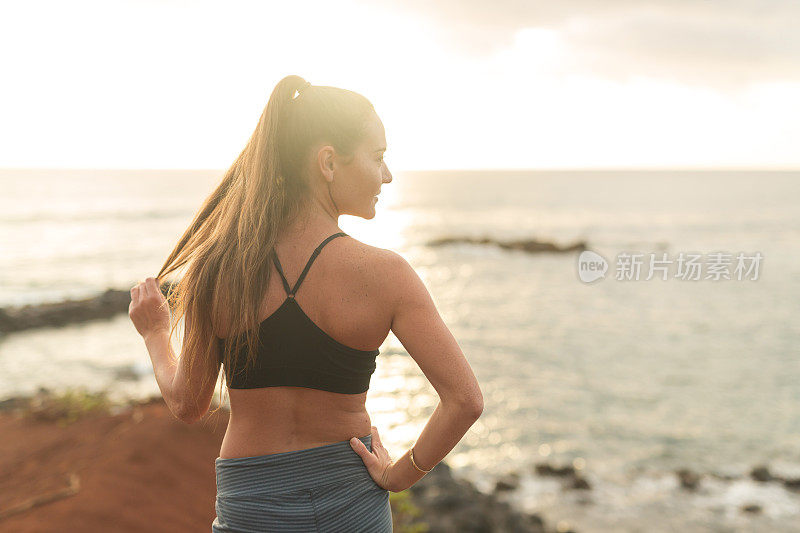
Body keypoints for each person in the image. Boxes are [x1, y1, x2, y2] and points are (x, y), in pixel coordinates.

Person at [128, 75, 484, 532]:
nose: (387, 174)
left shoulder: (219, 269)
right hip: (351, 505)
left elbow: (188, 403)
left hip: (251, 506)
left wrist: (156, 333)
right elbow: (465, 401)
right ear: (329, 163)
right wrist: (400, 474)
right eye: (378, 158)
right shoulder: (388, 275)